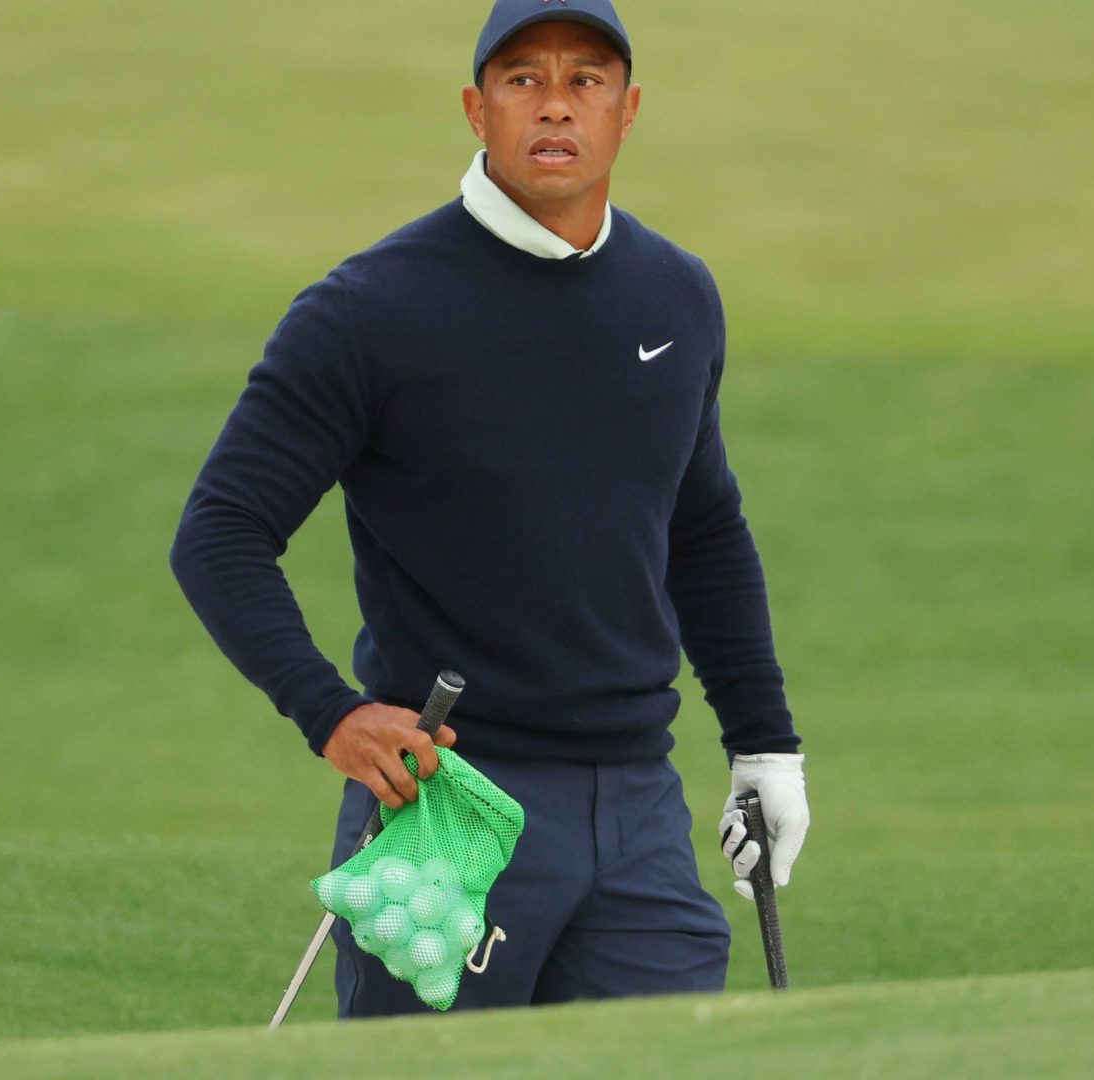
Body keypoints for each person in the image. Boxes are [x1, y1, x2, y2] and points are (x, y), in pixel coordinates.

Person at [170, 0, 809, 1015]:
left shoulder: (676, 296)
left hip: (640, 803)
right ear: (477, 108)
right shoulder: (367, 312)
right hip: (453, 803)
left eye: (584, 80)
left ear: (628, 110)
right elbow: (220, 532)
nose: (555, 106)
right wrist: (328, 712)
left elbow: (703, 529)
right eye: (523, 81)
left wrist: (764, 744)